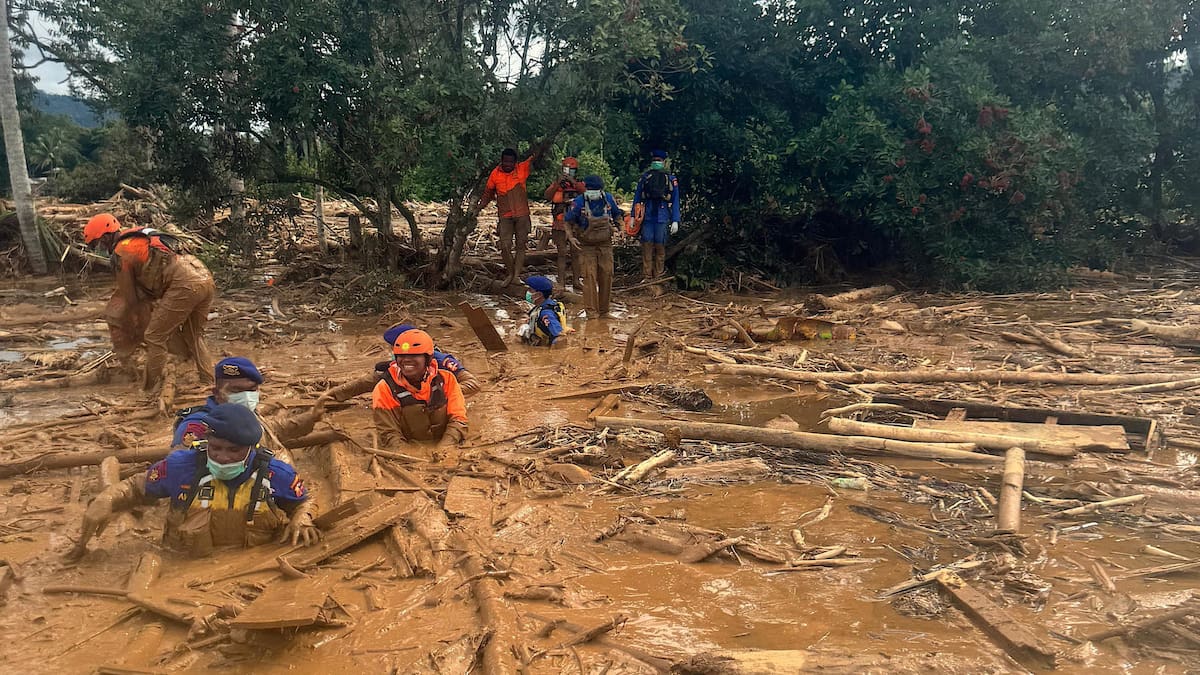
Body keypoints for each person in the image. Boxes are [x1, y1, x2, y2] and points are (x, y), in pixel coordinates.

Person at [78, 403, 321, 556]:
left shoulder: (277, 473)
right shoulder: (180, 467)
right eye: (216, 448)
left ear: (252, 448)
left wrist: (302, 519)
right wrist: (108, 498)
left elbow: (303, 501)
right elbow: (135, 487)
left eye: (233, 450)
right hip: (182, 561)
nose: (223, 457)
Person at [100, 222, 216, 391]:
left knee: (154, 336)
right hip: (203, 276)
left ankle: (149, 389)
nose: (101, 247)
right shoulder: (141, 237)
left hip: (184, 284)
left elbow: (131, 299)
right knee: (194, 335)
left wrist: (135, 323)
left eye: (100, 243)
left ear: (105, 236)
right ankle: (209, 381)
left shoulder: (121, 252)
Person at [171, 357, 323, 459]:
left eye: (251, 390)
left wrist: (311, 417)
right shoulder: (198, 426)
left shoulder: (249, 414)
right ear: (217, 394)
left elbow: (272, 431)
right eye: (236, 391)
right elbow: (178, 467)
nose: (246, 396)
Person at [372, 329, 469, 458]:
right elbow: (389, 434)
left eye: (414, 356)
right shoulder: (384, 388)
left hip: (445, 443)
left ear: (427, 358)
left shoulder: (447, 379)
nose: (406, 360)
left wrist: (444, 450)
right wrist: (411, 457)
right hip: (408, 446)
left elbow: (458, 419)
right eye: (401, 356)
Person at [324, 324, 481, 402]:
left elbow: (473, 384)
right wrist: (330, 396)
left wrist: (438, 392)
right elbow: (368, 382)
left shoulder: (441, 361)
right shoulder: (398, 364)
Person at [565, 175, 623, 317]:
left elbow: (617, 215)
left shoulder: (608, 199)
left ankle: (604, 311)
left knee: (607, 275)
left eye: (595, 189)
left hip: (605, 245)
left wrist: (622, 229)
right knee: (589, 277)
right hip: (586, 246)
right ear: (585, 188)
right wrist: (571, 238)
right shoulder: (578, 202)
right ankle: (591, 313)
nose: (593, 192)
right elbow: (567, 221)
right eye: (591, 189)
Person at [478, 148, 535, 286]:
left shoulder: (522, 169)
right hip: (505, 215)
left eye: (510, 162)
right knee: (505, 245)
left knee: (521, 245)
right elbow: (488, 193)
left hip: (522, 214)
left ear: (515, 162)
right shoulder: (495, 174)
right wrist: (478, 208)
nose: (508, 164)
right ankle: (510, 273)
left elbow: (536, 155)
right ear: (501, 161)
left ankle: (516, 275)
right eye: (505, 161)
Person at [631, 149, 682, 280]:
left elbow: (675, 200)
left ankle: (658, 275)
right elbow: (637, 198)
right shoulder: (645, 177)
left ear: (664, 162)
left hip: (662, 216)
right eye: (654, 160)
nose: (656, 163)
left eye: (659, 160)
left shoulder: (671, 179)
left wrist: (675, 220)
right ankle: (647, 275)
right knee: (646, 245)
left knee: (660, 246)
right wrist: (632, 216)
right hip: (647, 216)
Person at [543, 156, 585, 289]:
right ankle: (561, 281)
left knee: (576, 252)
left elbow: (585, 192)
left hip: (575, 223)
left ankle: (576, 281)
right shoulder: (557, 184)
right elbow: (547, 196)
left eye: (571, 170)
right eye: (567, 169)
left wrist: (573, 182)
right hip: (560, 222)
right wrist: (557, 184)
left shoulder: (579, 183)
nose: (569, 172)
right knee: (561, 252)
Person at [519, 275, 567, 347]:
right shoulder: (543, 305)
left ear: (539, 295)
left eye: (530, 290)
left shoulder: (546, 313)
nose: (527, 292)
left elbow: (560, 337)